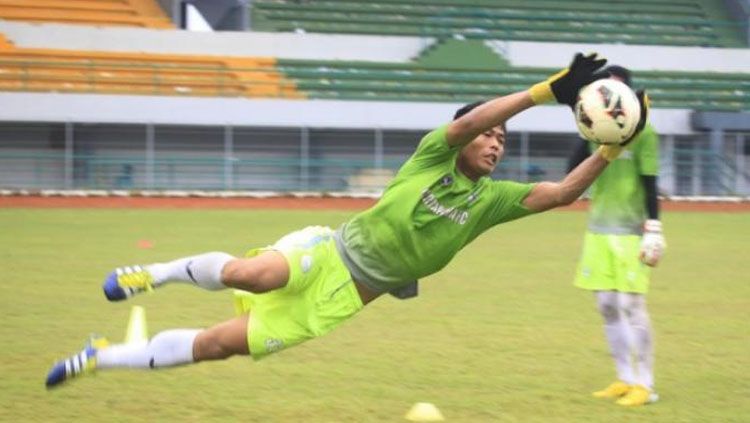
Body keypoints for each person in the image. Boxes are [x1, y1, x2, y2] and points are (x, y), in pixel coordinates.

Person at [45, 53, 648, 390]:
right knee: (254, 275)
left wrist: (614, 146)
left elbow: (564, 192)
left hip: (343, 298)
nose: (495, 143)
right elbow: (464, 124)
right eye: (489, 133)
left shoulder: (489, 201)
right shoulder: (434, 152)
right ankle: (153, 273)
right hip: (327, 252)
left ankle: (102, 357)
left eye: (502, 140)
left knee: (215, 347)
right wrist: (544, 92)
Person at [567, 65, 665, 406]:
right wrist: (587, 135)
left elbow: (650, 182)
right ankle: (624, 378)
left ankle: (646, 385)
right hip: (598, 231)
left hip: (630, 232)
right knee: (607, 306)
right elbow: (571, 174)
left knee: (632, 306)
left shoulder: (645, 132)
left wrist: (654, 226)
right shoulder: (593, 130)